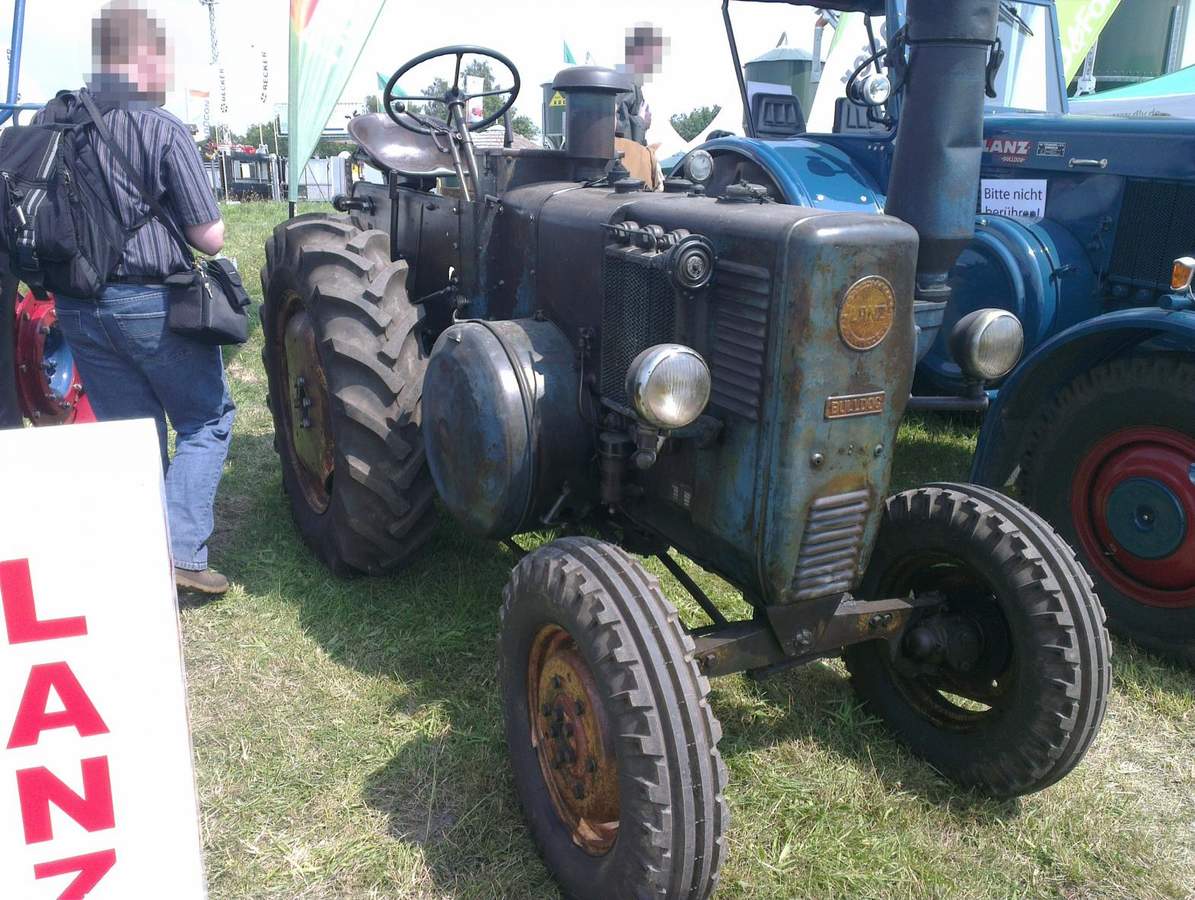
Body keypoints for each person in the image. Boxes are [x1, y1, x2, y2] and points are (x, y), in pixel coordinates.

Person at [41, 2, 234, 596]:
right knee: (205, 419)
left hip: (76, 306)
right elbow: (209, 236)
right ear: (141, 59)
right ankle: (179, 553)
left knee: (133, 435)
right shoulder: (161, 127)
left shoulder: (55, 123)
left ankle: (140, 556)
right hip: (151, 302)